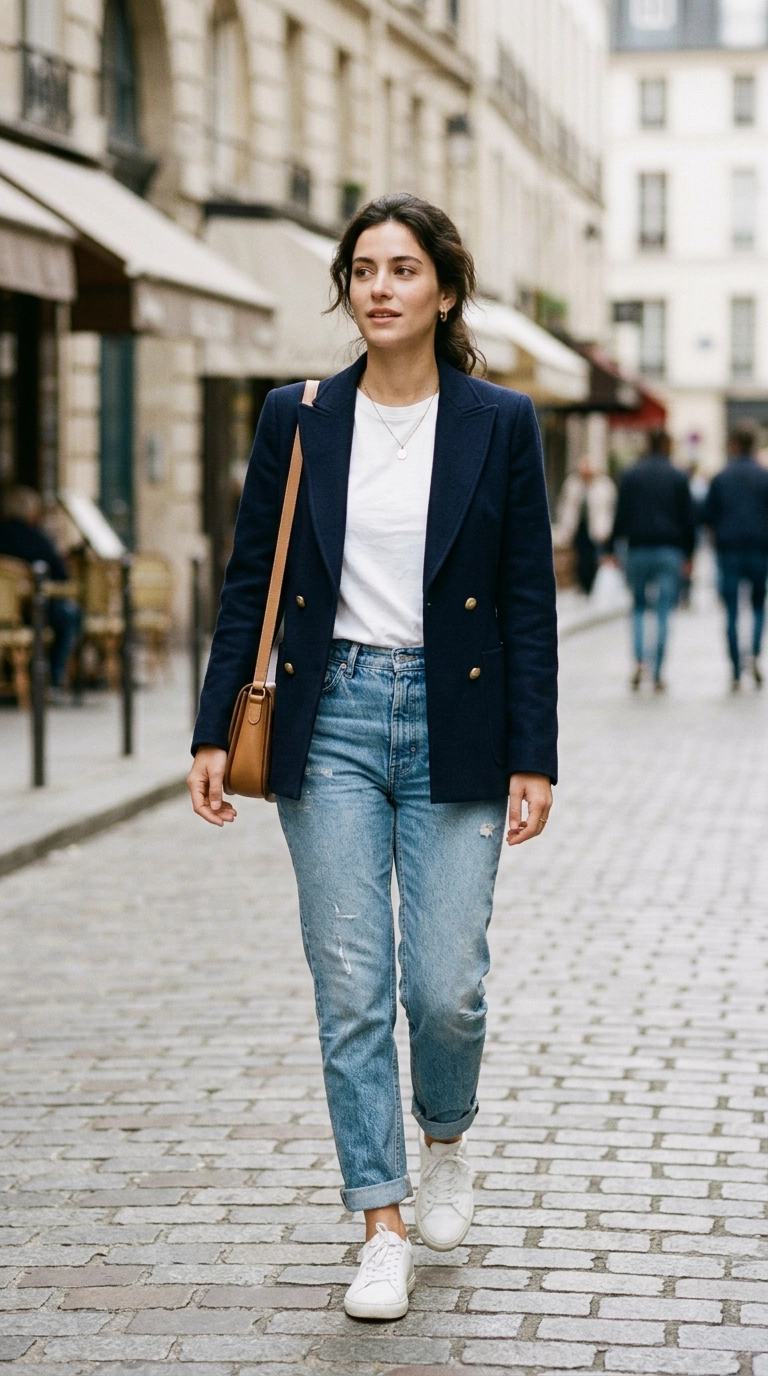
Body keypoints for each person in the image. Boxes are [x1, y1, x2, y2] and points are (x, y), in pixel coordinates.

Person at [187, 194, 558, 1322]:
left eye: (402, 269)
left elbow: (529, 598)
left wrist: (535, 753)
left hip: (459, 719)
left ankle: (445, 1139)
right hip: (331, 717)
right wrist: (212, 729)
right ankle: (380, 1224)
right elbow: (248, 579)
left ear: (444, 290)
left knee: (445, 987)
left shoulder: (500, 421)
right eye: (362, 270)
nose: (380, 287)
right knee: (351, 985)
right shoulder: (297, 416)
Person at [610, 430, 696, 691]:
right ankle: (657, 671)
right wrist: (689, 554)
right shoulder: (678, 475)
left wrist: (611, 547)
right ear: (667, 445)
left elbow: (621, 513)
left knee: (638, 606)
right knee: (663, 611)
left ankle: (639, 661)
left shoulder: (631, 474)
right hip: (670, 550)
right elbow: (688, 519)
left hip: (637, 548)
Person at [703, 427, 768, 689]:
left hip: (729, 549)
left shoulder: (721, 477)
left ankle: (735, 667)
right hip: (759, 548)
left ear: (733, 445)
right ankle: (753, 654)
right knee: (758, 605)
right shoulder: (764, 477)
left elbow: (707, 515)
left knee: (731, 609)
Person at [0, 485, 81, 691]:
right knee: (70, 615)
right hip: (32, 611)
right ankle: (53, 676)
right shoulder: (36, 538)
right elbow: (61, 575)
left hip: (8, 613)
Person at [553, 457, 617, 594]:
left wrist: (608, 528)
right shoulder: (572, 485)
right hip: (578, 529)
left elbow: (610, 510)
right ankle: (583, 585)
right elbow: (564, 507)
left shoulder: (604, 486)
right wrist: (564, 526)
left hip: (597, 529)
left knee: (595, 558)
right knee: (580, 559)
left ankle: (592, 585)